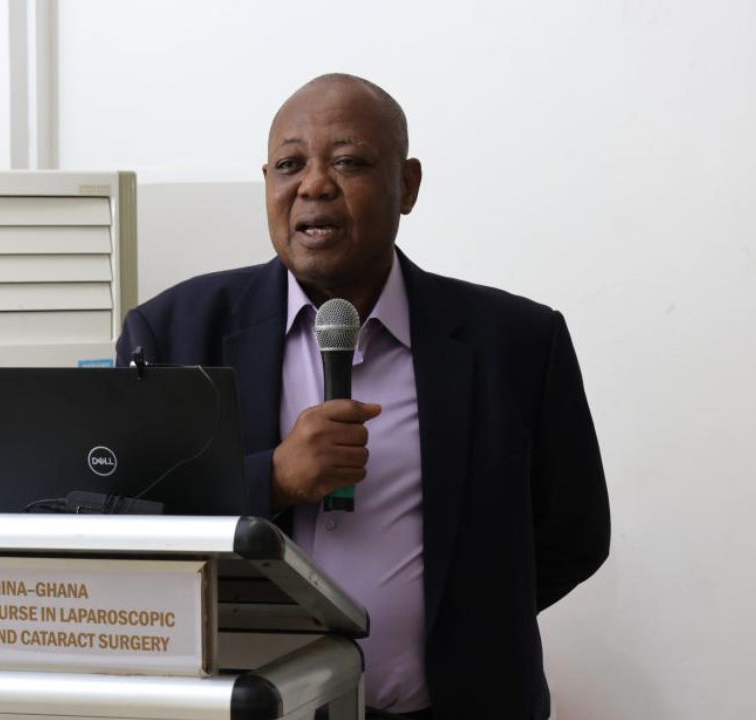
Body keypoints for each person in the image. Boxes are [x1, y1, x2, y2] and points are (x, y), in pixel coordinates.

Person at [116, 73, 610, 720]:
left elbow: (574, 533)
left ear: (407, 186)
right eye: (290, 165)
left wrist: (468, 628)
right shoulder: (175, 331)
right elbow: (122, 522)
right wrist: (270, 480)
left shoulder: (518, 344)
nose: (314, 184)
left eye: (347, 161)